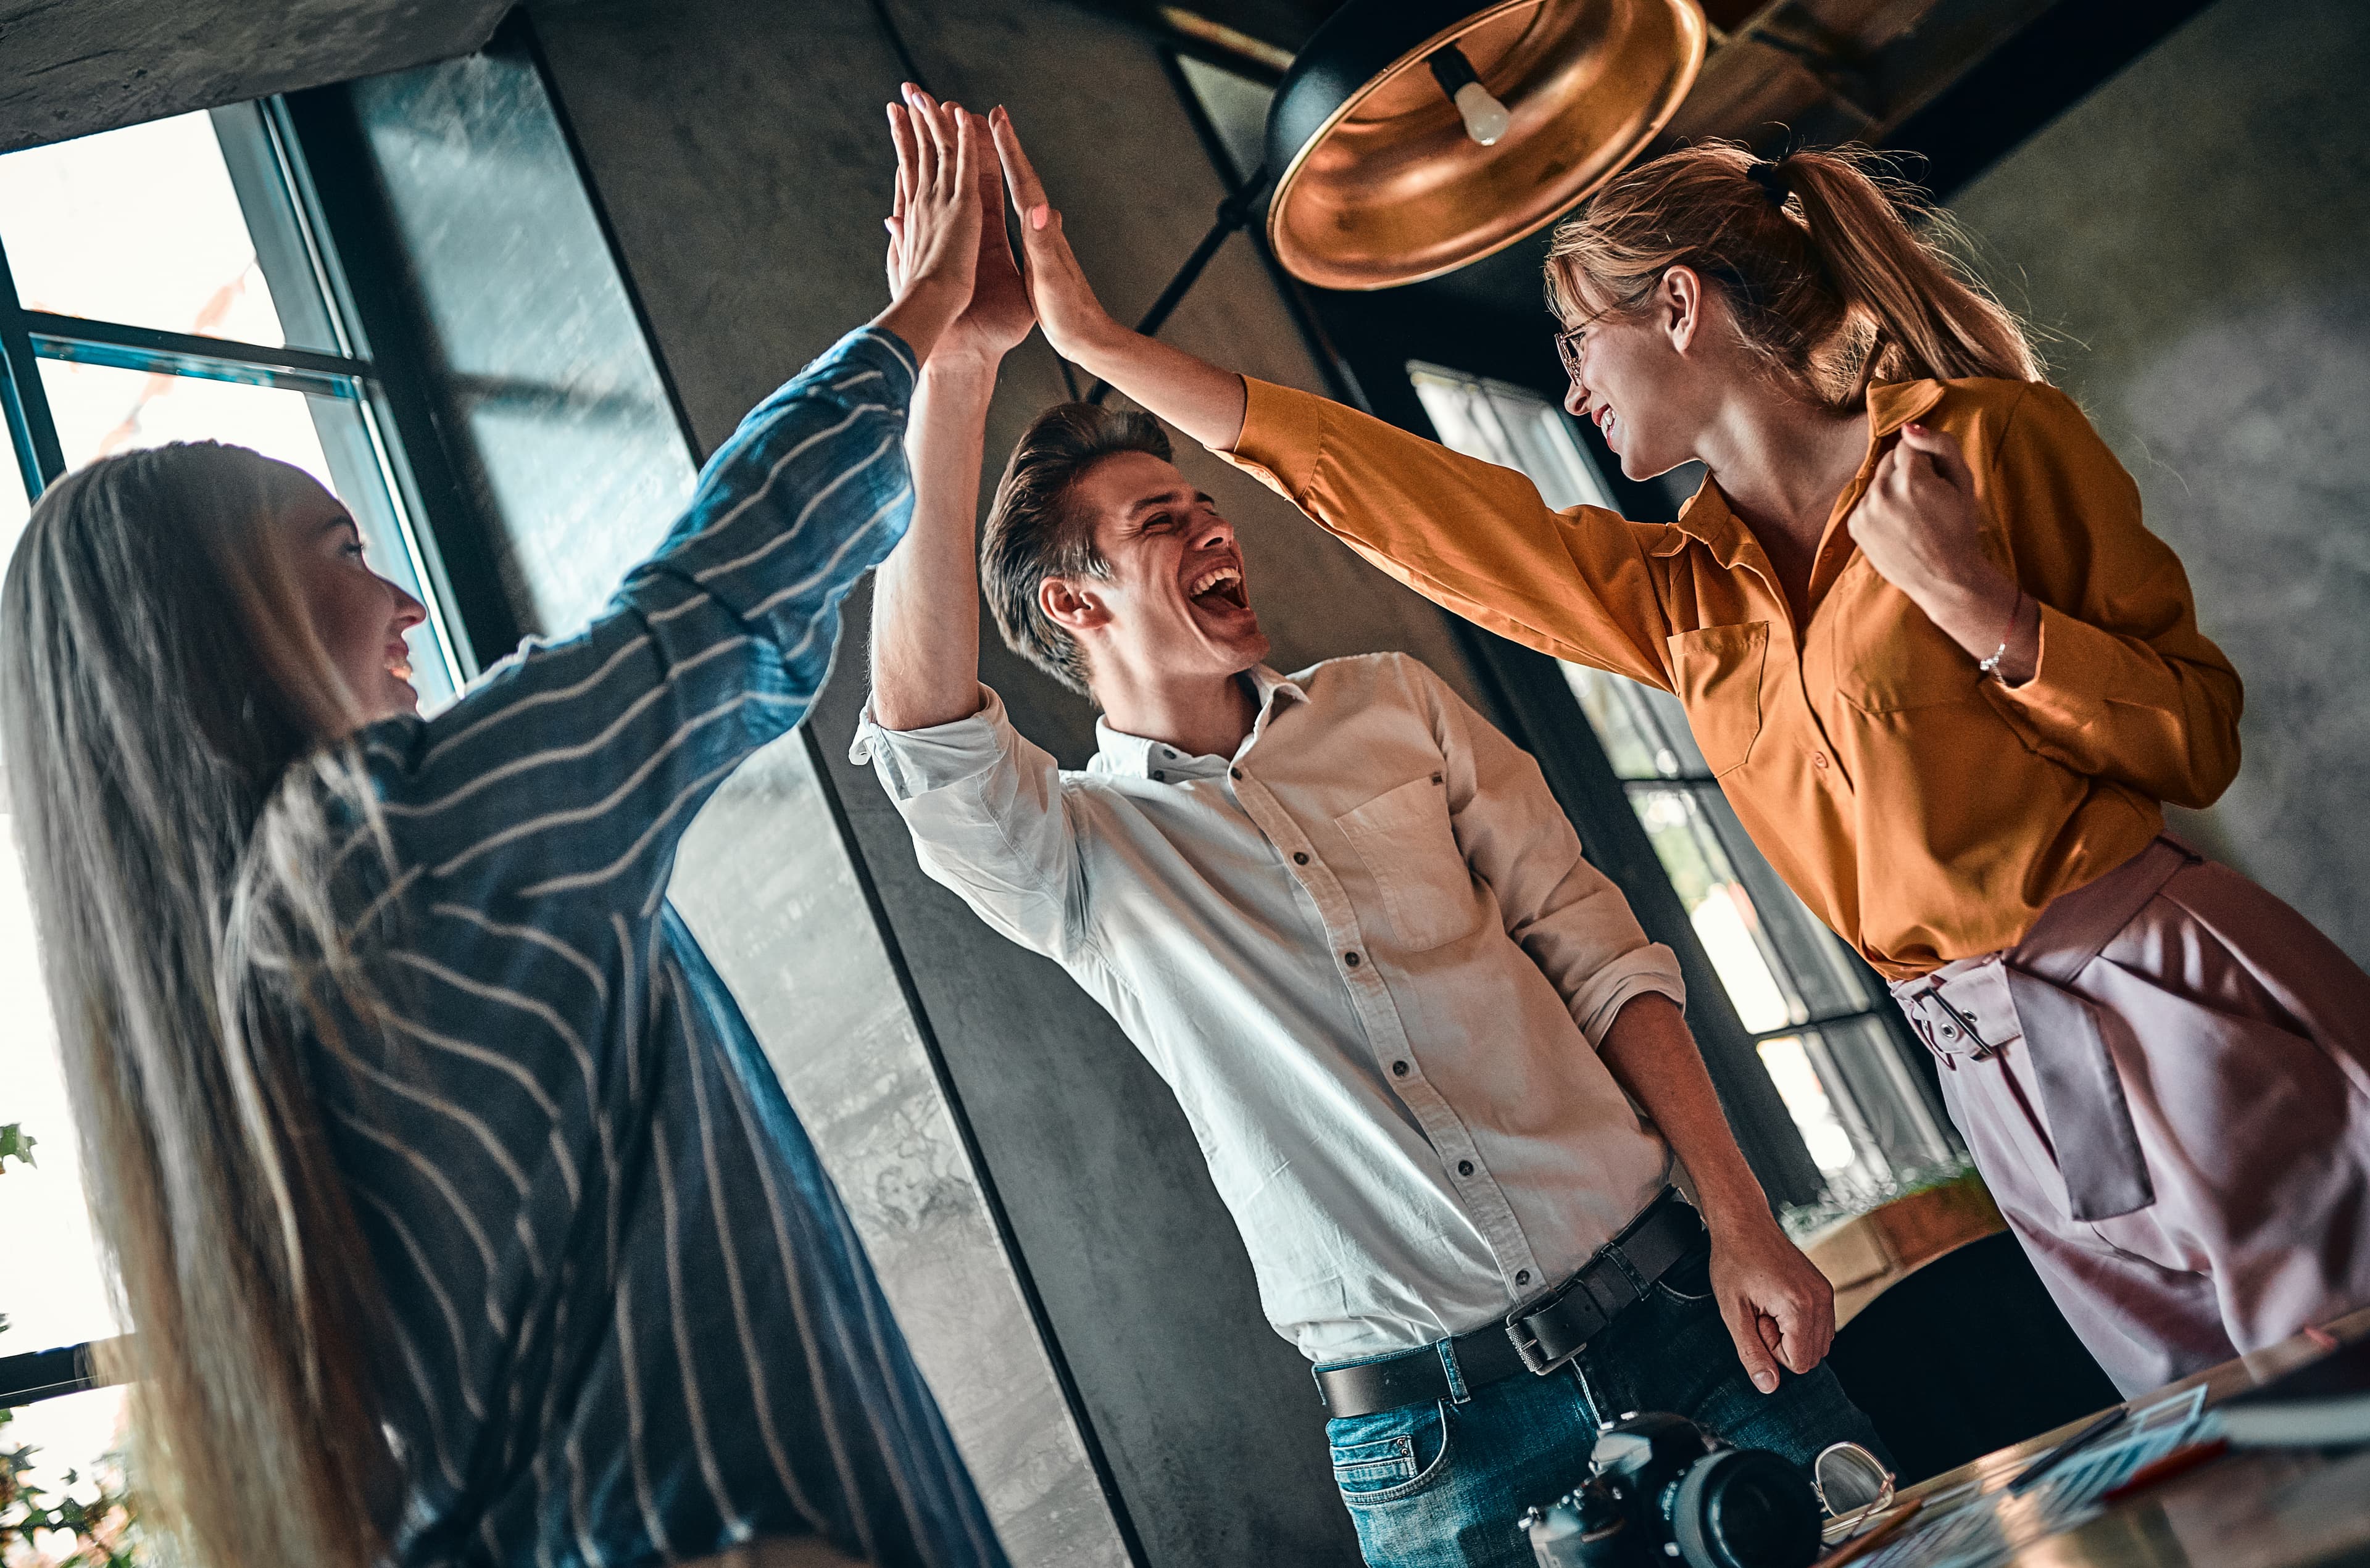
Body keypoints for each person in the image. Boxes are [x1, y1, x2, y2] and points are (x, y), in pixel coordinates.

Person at [983, 114, 2370, 1398]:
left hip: (2159, 992)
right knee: (2215, 1450)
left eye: (1579, 341)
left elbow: (2197, 736)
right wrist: (1094, 340)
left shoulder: (1986, 444)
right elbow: (1403, 497)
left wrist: (1985, 608)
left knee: (2345, 1394)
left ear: (1681, 306)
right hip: (1985, 1070)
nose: (1573, 386)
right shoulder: (1680, 596)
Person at [858, 89, 1881, 1568]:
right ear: (1074, 602)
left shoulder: (1394, 702)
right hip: (1438, 1453)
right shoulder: (1075, 857)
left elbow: (1601, 954)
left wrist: (1743, 1215)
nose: (1216, 528)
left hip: (1685, 1317)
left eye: (1206, 504)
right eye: (1161, 523)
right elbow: (924, 735)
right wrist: (954, 365)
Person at [0, 100, 1006, 1568]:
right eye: (345, 551)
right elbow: (712, 605)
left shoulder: (232, 1011)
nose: (406, 601)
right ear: (224, 627)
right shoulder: (376, 851)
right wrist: (920, 315)